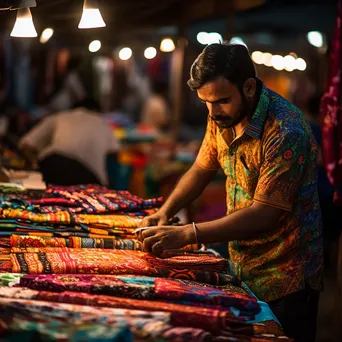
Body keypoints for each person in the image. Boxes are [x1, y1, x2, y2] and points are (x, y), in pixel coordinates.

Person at [137, 43, 323, 342]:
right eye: (205, 102)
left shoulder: (286, 131)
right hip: (241, 262)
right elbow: (201, 169)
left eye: (222, 100)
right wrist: (165, 211)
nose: (213, 112)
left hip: (286, 273)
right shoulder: (221, 117)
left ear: (249, 87)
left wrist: (187, 233)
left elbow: (264, 215)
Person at [19, 98, 120, 186]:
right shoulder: (104, 125)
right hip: (90, 179)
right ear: (98, 111)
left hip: (54, 164)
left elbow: (25, 143)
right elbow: (115, 155)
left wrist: (34, 164)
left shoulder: (61, 116)